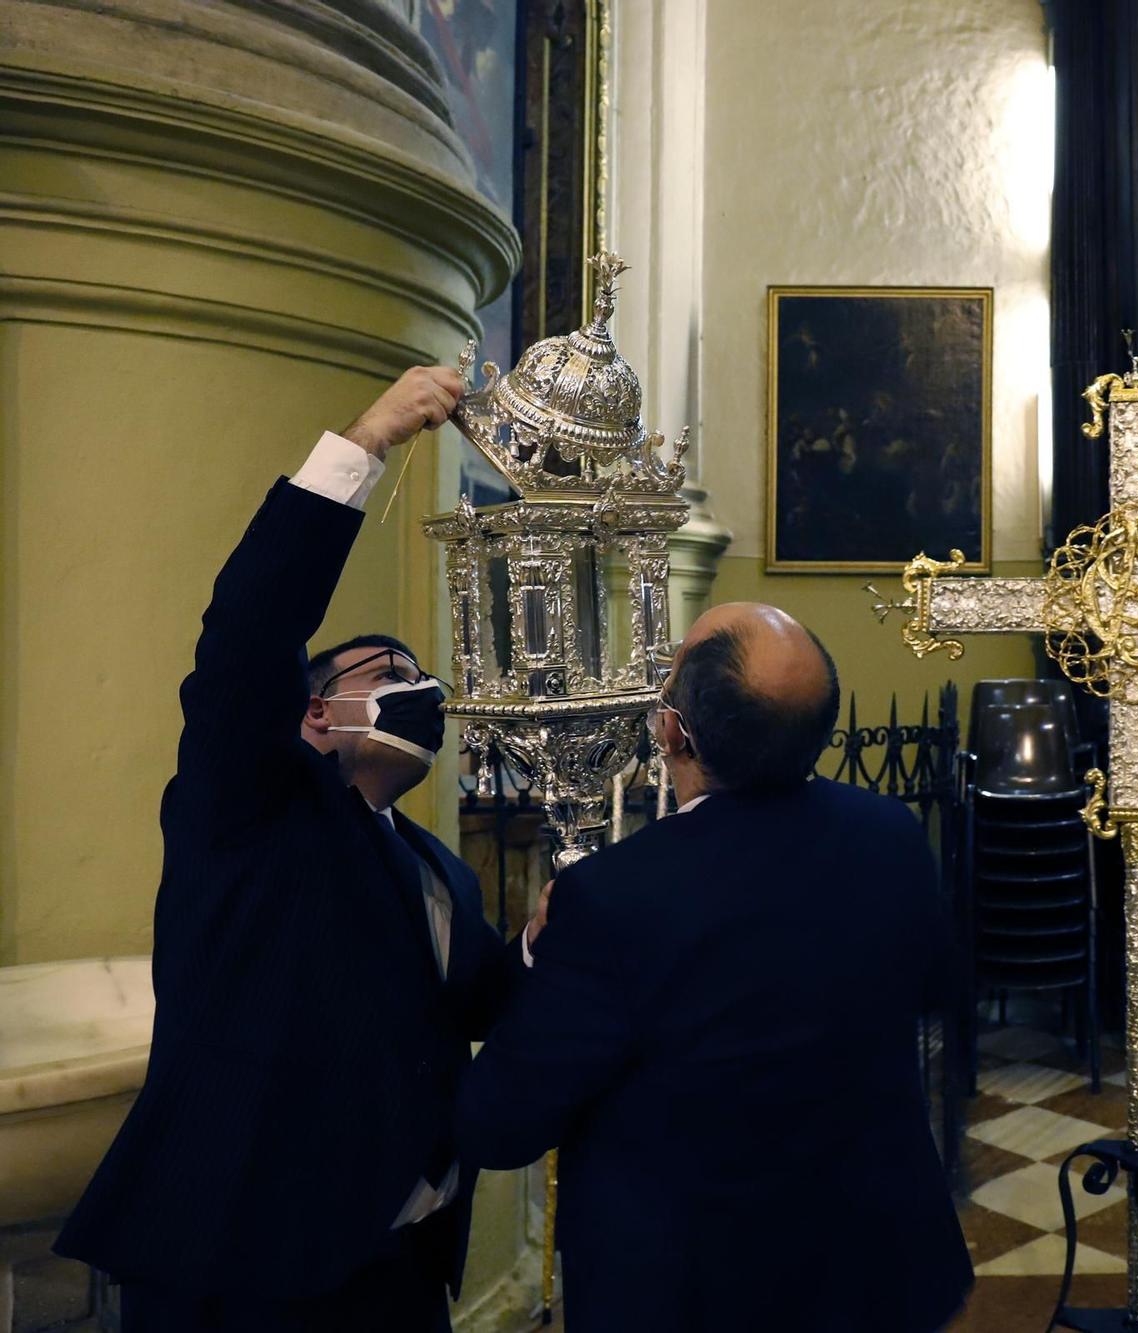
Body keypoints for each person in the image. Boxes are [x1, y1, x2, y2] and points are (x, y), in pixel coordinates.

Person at [57, 368, 525, 1332]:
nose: (418, 685)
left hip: (396, 1263)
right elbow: (247, 634)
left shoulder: (437, 868)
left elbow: (469, 1004)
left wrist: (541, 947)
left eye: (422, 670)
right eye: (388, 672)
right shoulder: (248, 810)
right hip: (251, 1268)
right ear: (314, 711)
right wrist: (368, 441)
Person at [455, 603, 973, 1333]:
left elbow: (499, 1125)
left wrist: (538, 945)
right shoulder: (890, 835)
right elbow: (938, 990)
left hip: (700, 1292)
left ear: (671, 731)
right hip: (874, 1268)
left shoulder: (613, 898)